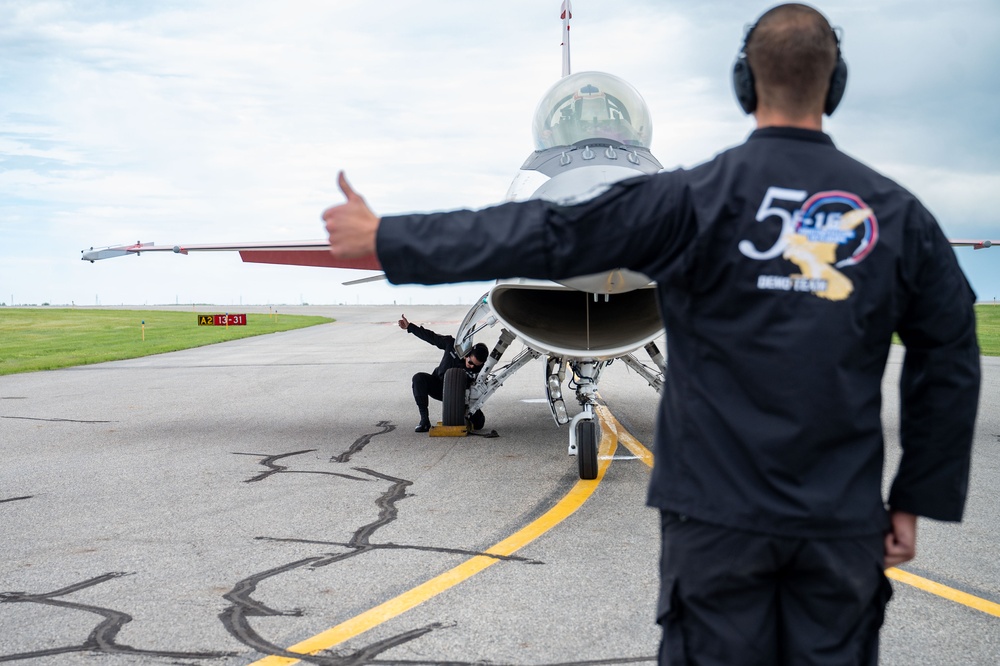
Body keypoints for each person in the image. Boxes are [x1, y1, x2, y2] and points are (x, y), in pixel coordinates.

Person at [323, 4, 980, 664]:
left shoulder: (689, 200)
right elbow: (949, 354)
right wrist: (915, 500)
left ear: (743, 85)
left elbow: (545, 233)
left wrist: (387, 239)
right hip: (839, 524)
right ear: (834, 86)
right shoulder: (898, 215)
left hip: (714, 525)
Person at [399, 314, 489, 432]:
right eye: (470, 362)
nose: (471, 366)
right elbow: (431, 337)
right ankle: (424, 420)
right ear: (468, 353)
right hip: (439, 386)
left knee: (479, 424)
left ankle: (469, 415)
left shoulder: (480, 370)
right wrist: (410, 327)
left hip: (459, 396)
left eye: (475, 366)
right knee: (418, 378)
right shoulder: (452, 345)